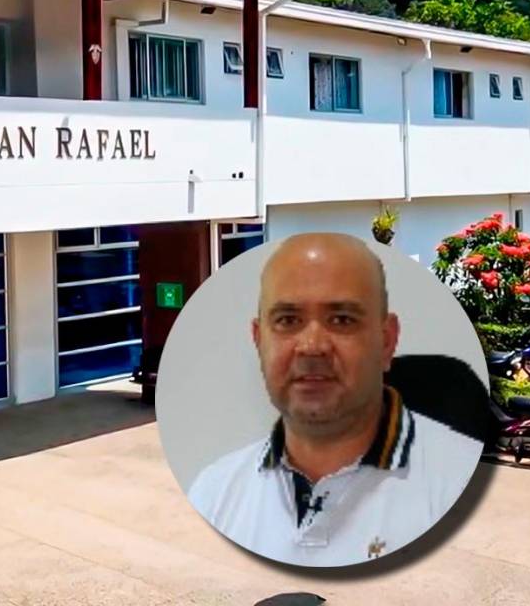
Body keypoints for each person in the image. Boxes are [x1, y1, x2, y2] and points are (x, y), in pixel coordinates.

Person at [187, 233, 482, 567]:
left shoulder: (458, 484)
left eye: (342, 320)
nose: (312, 346)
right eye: (287, 320)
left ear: (386, 341)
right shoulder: (216, 490)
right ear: (259, 341)